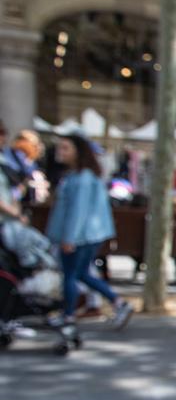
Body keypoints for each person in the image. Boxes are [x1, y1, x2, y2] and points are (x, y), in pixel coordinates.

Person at [44, 135, 133, 331]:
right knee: (80, 273)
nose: (61, 152)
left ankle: (68, 316)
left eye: (65, 148)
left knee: (71, 275)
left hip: (81, 236)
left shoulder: (82, 178)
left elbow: (78, 211)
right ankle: (118, 303)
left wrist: (69, 238)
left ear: (78, 151)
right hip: (85, 234)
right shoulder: (78, 176)